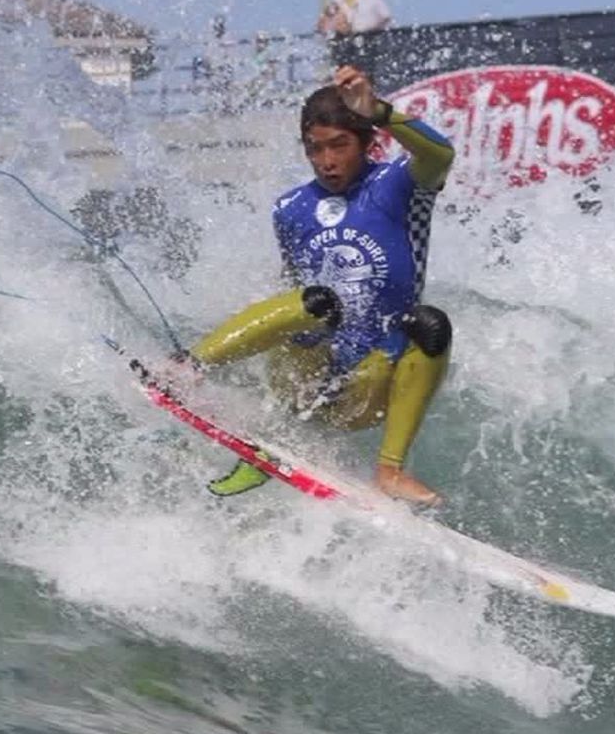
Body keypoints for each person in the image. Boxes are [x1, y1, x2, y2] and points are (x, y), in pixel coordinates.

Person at [166, 64, 456, 506]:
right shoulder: (291, 209)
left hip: (367, 385)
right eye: (314, 149)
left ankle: (391, 472)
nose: (327, 160)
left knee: (430, 324)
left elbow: (441, 155)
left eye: (339, 145)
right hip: (305, 372)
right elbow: (290, 294)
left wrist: (375, 109)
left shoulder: (398, 186)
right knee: (315, 301)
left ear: (368, 143)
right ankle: (187, 368)